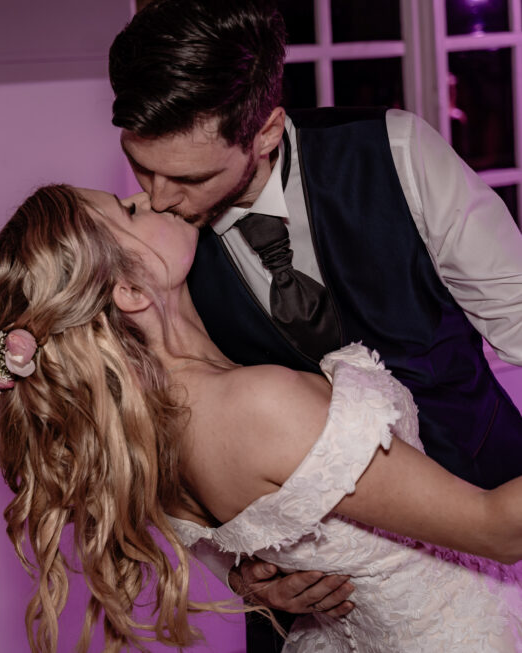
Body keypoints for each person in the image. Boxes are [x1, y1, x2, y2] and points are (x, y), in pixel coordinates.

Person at [107, 0, 522, 648]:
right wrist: (238, 570)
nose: (159, 198)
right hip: (325, 604)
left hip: (490, 514)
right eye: (140, 166)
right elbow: (155, 430)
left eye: (190, 177)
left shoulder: (396, 152)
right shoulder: (154, 256)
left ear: (266, 131)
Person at [0, 183, 522, 652]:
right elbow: (499, 531)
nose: (149, 195)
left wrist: (251, 581)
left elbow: (252, 540)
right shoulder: (255, 406)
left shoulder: (146, 429)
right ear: (132, 291)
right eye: (129, 209)